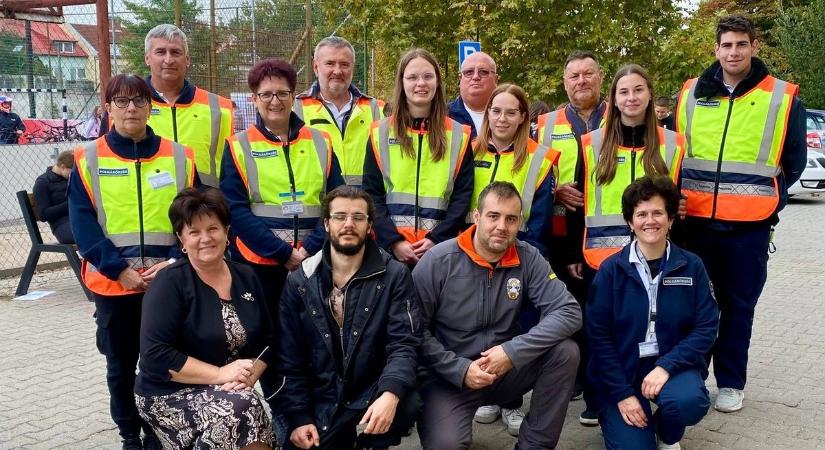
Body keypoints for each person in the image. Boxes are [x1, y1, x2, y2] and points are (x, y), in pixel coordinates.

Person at [674, 14, 806, 413]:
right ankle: (690, 376)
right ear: (715, 49)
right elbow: (676, 154)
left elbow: (794, 162)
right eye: (726, 44)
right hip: (693, 223)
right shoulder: (690, 93)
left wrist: (771, 205)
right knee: (692, 304)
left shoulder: (782, 98)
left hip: (749, 226)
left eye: (741, 44)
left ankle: (730, 382)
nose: (733, 52)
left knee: (738, 306)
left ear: (754, 47)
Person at [68, 74, 197, 450]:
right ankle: (130, 435)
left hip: (169, 282)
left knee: (170, 363)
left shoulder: (178, 155)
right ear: (108, 107)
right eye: (121, 102)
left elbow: (192, 216)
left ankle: (165, 432)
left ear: (150, 106)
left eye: (139, 101)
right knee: (121, 366)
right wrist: (118, 269)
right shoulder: (88, 157)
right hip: (114, 284)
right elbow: (83, 223)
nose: (131, 109)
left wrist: (176, 259)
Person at [414, 182, 581, 449]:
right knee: (446, 444)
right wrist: (460, 369)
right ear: (477, 217)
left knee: (565, 352)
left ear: (519, 223)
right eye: (493, 216)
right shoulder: (437, 260)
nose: (502, 226)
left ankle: (534, 445)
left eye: (511, 219)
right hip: (449, 378)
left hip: (505, 370)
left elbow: (569, 311)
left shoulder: (528, 257)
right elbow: (413, 331)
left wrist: (512, 352)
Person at [220, 58, 345, 414]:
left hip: (315, 261)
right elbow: (237, 210)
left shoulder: (320, 142)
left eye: (282, 93)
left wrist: (307, 250)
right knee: (268, 342)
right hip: (261, 266)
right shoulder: (238, 146)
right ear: (254, 98)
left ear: (295, 96)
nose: (275, 101)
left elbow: (334, 203)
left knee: (314, 337)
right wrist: (281, 252)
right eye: (266, 94)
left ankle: (316, 413)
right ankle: (280, 415)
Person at [568, 63, 686, 425]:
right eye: (623, 92)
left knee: (649, 323)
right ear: (613, 99)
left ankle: (654, 391)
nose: (631, 98)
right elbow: (578, 201)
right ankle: (597, 396)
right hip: (601, 258)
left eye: (638, 90)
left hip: (655, 257)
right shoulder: (591, 145)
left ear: (649, 95)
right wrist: (573, 251)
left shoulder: (672, 143)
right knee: (599, 328)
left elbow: (677, 204)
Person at [277, 185, 421, 450]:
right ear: (326, 224)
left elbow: (404, 344)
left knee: (408, 398)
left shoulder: (395, 276)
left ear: (369, 226)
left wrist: (391, 393)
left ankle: (372, 442)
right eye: (340, 216)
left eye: (358, 217)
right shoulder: (300, 281)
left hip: (370, 392)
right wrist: (299, 417)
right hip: (321, 397)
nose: (348, 224)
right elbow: (289, 358)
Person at [136, 187, 274, 449]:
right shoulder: (170, 282)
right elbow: (155, 355)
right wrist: (220, 374)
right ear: (181, 240)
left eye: (213, 228)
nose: (205, 238)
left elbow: (268, 340)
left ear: (227, 232)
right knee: (242, 409)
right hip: (169, 392)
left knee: (243, 405)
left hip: (230, 387)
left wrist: (247, 376)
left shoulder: (246, 276)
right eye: (194, 232)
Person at [587, 175, 718, 450]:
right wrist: (623, 394)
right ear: (630, 222)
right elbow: (598, 337)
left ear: (671, 219)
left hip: (671, 366)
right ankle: (621, 419)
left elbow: (706, 327)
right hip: (622, 371)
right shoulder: (611, 271)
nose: (650, 221)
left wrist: (666, 366)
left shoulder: (692, 266)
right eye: (641, 214)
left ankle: (667, 433)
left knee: (688, 402)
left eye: (658, 213)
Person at [532, 50, 608, 420]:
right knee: (566, 307)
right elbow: (530, 174)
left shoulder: (619, 117)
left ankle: (599, 382)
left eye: (588, 74)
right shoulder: (545, 124)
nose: (581, 81)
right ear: (564, 82)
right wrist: (555, 189)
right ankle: (574, 378)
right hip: (561, 231)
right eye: (574, 75)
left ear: (600, 77)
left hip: (606, 232)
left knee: (601, 312)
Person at [363, 48, 474, 266]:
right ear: (402, 83)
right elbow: (371, 193)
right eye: (412, 77)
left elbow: (463, 196)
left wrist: (436, 239)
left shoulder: (459, 134)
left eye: (427, 76)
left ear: (438, 82)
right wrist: (394, 241)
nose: (420, 83)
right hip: (389, 252)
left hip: (442, 251)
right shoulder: (380, 132)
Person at [143, 24, 234, 187]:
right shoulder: (126, 107)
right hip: (150, 208)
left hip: (204, 206)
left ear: (187, 59)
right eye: (160, 52)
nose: (168, 59)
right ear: (147, 58)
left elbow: (231, 167)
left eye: (176, 52)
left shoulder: (220, 108)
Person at [293, 36, 385, 188]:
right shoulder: (296, 109)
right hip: (319, 205)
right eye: (330, 63)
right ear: (316, 67)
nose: (337, 71)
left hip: (364, 205)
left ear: (352, 68)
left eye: (344, 64)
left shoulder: (376, 109)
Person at [448, 51, 499, 137]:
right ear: (460, 79)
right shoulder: (442, 116)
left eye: (483, 72)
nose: (475, 77)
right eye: (469, 72)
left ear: (496, 80)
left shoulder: (511, 117)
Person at [33, 150, 75, 244]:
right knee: (88, 235)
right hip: (62, 224)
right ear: (63, 167)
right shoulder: (43, 182)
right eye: (72, 172)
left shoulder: (72, 179)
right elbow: (43, 214)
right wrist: (70, 203)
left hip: (81, 218)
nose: (75, 174)